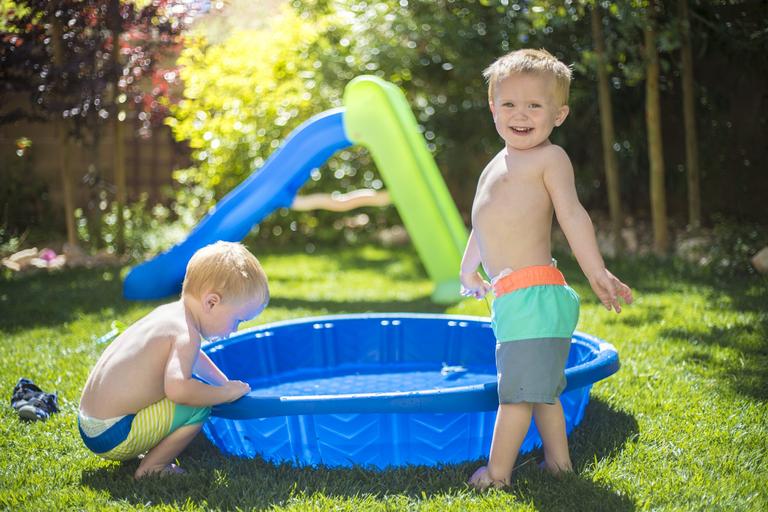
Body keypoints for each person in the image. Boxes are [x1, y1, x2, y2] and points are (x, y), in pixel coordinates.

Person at [459, 48, 633, 490]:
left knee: (516, 395)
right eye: (510, 104)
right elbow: (482, 221)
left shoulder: (548, 159)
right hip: (515, 298)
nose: (521, 115)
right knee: (538, 391)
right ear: (492, 107)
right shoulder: (495, 164)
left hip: (535, 297)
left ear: (559, 114)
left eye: (534, 106)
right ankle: (559, 463)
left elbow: (573, 215)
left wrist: (596, 271)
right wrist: (469, 271)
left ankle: (497, 474)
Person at [79, 241, 269, 479]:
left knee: (196, 395)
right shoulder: (186, 335)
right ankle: (153, 467)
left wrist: (224, 382)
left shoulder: (169, 315)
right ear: (211, 302)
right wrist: (224, 394)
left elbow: (196, 358)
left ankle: (148, 448)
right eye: (237, 320)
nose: (234, 331)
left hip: (90, 422)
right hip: (112, 434)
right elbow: (178, 390)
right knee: (197, 406)